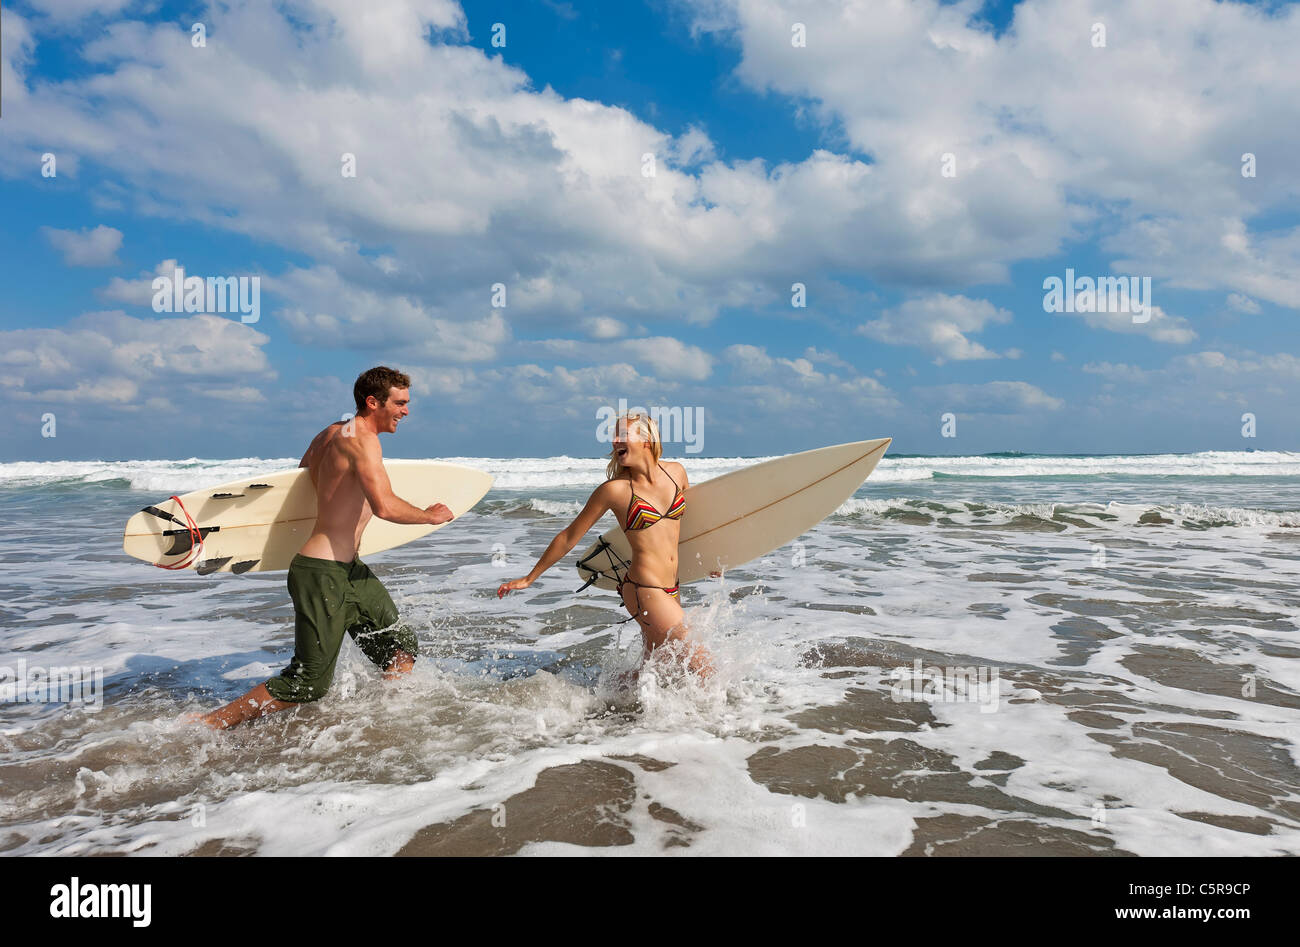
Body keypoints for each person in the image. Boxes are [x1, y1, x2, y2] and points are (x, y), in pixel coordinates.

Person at [194, 366, 453, 729]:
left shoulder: (330, 434)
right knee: (309, 683)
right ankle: (209, 724)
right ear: (372, 401)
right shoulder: (363, 440)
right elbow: (385, 506)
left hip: (349, 570)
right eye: (400, 403)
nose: (406, 411)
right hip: (322, 573)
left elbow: (299, 485)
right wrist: (430, 516)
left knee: (400, 647)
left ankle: (386, 721)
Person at [497, 413, 714, 678]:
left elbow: (687, 529)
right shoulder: (615, 490)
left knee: (658, 670)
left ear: (646, 440)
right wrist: (530, 578)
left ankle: (605, 702)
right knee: (703, 667)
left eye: (622, 435)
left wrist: (710, 560)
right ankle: (729, 717)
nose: (614, 442)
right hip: (645, 589)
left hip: (672, 587)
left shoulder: (676, 472)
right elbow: (569, 536)